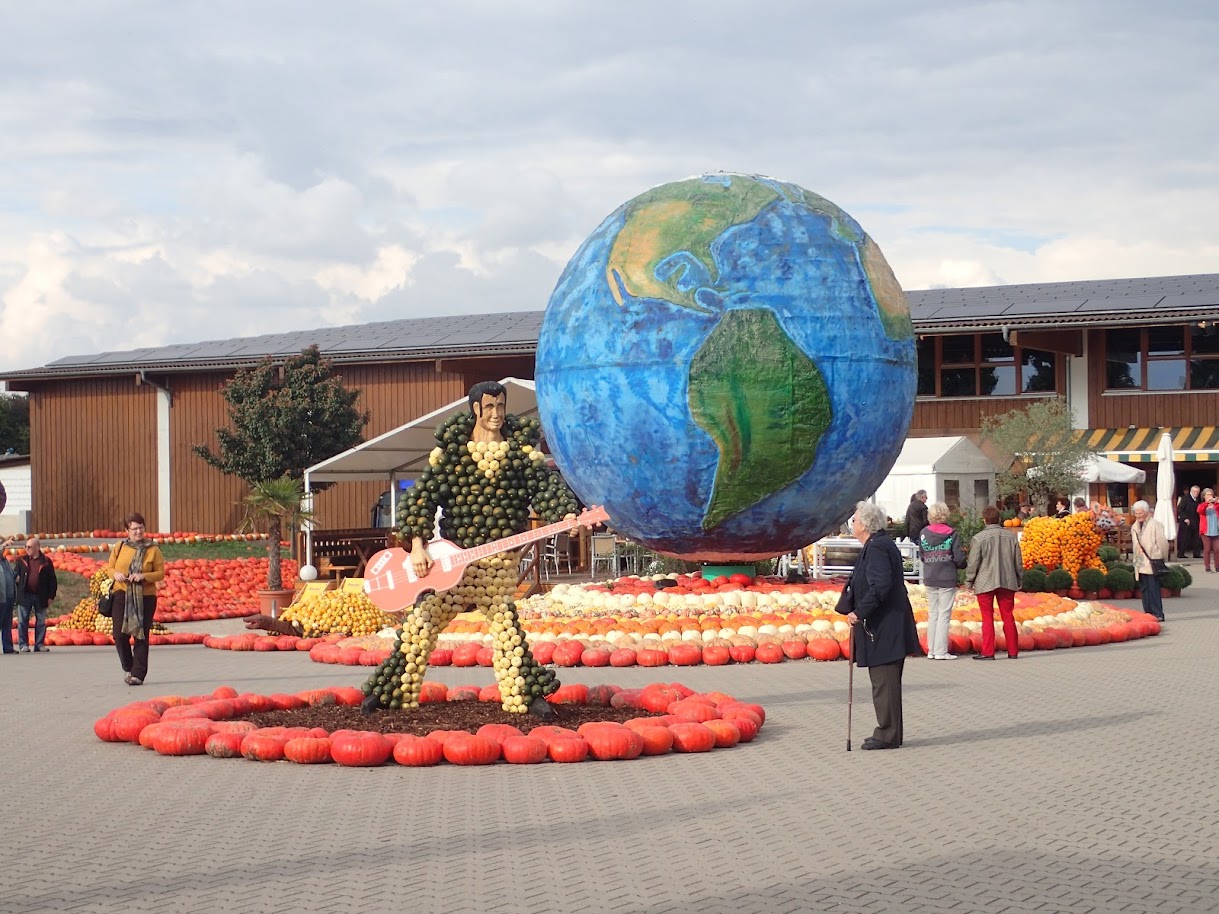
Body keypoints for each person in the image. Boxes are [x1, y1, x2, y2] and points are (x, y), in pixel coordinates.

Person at [361, 380, 580, 715]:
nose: (496, 414)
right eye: (489, 407)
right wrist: (418, 546)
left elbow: (546, 487)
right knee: (422, 622)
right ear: (476, 409)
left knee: (506, 626)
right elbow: (421, 498)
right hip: (453, 565)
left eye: (501, 407)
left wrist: (566, 513)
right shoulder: (453, 454)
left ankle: (524, 695)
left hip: (497, 567)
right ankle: (391, 690)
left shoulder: (520, 454)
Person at [836, 501, 921, 750]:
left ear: (865, 524)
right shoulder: (877, 544)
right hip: (885, 625)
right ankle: (889, 731)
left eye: (854, 520)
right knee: (884, 682)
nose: (852, 524)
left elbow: (880, 585)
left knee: (884, 682)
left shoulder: (877, 547)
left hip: (885, 626)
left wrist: (859, 612)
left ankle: (888, 734)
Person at [105, 513, 166, 685]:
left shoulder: (153, 549)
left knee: (141, 635)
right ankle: (128, 666)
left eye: (141, 527)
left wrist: (143, 576)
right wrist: (115, 573)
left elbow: (160, 573)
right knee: (119, 634)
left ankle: (138, 674)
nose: (138, 531)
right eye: (134, 528)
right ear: (127, 530)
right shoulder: (120, 547)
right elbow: (110, 568)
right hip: (121, 594)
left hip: (145, 597)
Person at [966, 505, 1024, 660]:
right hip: (1007, 580)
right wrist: (1019, 578)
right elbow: (1018, 561)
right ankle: (1013, 651)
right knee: (1008, 616)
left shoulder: (978, 538)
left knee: (987, 617)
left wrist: (969, 581)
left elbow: (973, 563)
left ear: (984, 520)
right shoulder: (1011, 537)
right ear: (999, 519)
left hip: (985, 582)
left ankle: (988, 651)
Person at [918, 502, 966, 660]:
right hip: (947, 576)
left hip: (930, 576)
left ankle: (931, 650)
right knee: (944, 614)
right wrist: (962, 564)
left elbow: (923, 555)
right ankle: (941, 651)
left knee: (933, 614)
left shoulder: (924, 533)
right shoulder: (952, 534)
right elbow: (958, 558)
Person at [13, 536, 57, 652]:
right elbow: (15, 574)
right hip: (25, 595)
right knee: (23, 621)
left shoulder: (46, 562)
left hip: (40, 595)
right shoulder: (21, 561)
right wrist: (16, 579)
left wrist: (51, 596)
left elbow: (52, 580)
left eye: (29, 547)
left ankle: (39, 644)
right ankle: (23, 645)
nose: (27, 549)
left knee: (41, 621)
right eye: (26, 547)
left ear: (37, 547)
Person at [1130, 500, 1168, 621]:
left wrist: (1161, 556)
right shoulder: (1134, 526)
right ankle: (1148, 613)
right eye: (1136, 513)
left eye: (1140, 513)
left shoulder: (1155, 524)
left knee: (1153, 588)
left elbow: (1162, 542)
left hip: (1152, 560)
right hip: (1140, 561)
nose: (1138, 516)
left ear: (1146, 512)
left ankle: (1158, 613)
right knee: (1144, 589)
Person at [1176, 485, 1203, 559]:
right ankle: (1181, 553)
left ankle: (1197, 554)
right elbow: (1180, 509)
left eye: (1197, 492)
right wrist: (1185, 518)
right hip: (1186, 521)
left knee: (1197, 538)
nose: (1196, 493)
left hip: (1196, 521)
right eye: (1195, 491)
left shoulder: (1198, 499)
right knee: (1185, 538)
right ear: (1191, 491)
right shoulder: (1185, 499)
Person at [1196, 488, 1218, 573]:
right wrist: (1207, 503)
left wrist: (1216, 502)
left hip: (1216, 530)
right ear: (1204, 496)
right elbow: (1199, 510)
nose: (1209, 496)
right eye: (1207, 495)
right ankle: (1207, 567)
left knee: (1217, 549)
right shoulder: (1202, 505)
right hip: (1206, 531)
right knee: (1207, 549)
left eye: (1211, 494)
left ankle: (1217, 566)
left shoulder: (1216, 505)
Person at [0, 537, 16, 654]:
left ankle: (8, 647)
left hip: (9, 597)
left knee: (7, 624)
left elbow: (9, 573)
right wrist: (4, 544)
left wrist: (15, 576)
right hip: (1, 597)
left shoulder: (5, 560)